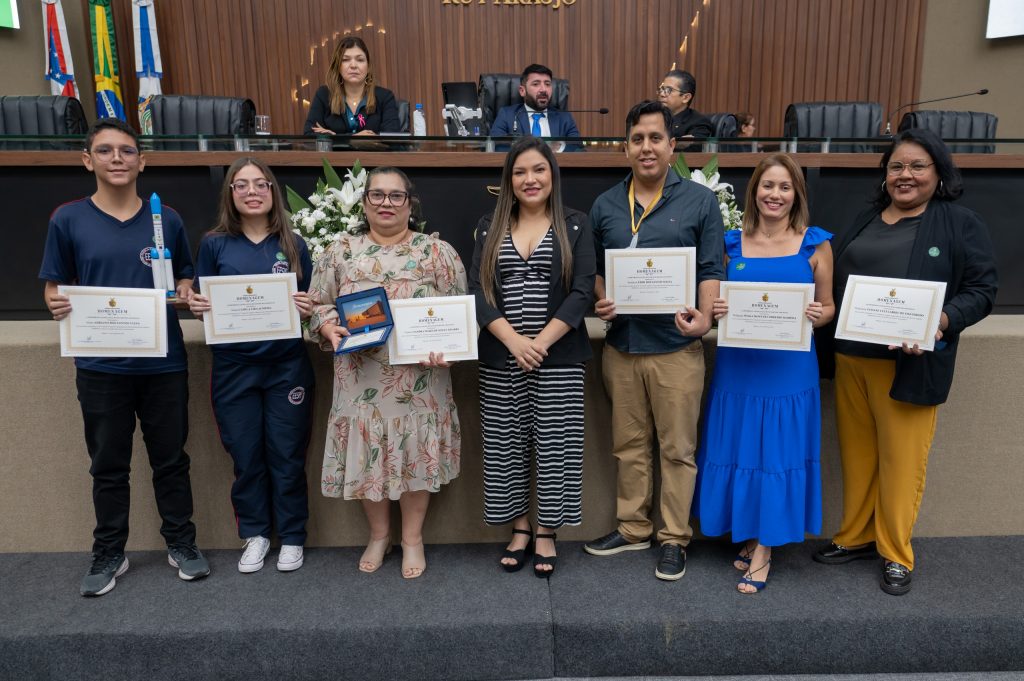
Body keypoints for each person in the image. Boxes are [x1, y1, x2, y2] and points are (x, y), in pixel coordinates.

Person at [813, 129, 997, 595]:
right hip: (852, 360)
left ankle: (895, 552)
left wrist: (941, 322)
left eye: (917, 166)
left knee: (902, 462)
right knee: (857, 457)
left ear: (938, 173)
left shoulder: (959, 222)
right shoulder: (865, 218)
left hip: (910, 366)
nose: (905, 176)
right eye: (896, 167)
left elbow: (981, 291)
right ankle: (855, 536)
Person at [39, 118, 210, 596]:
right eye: (106, 150)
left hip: (164, 364)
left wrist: (183, 289)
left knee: (171, 460)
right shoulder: (67, 219)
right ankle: (110, 551)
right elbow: (54, 287)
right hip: (100, 369)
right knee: (108, 464)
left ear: (142, 161)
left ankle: (182, 543)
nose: (117, 158)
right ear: (87, 159)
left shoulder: (167, 219)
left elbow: (184, 280)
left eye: (127, 151)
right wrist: (53, 302)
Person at [584, 101, 725, 581]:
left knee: (677, 449)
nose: (647, 147)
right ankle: (632, 528)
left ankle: (673, 538)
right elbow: (597, 273)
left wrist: (705, 319)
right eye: (638, 139)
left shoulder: (699, 202)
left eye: (655, 138)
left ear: (671, 145)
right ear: (626, 147)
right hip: (621, 347)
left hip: (677, 348)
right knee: (628, 446)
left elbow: (711, 269)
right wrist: (602, 300)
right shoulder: (605, 204)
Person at [309, 167, 467, 579]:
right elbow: (318, 304)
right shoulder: (339, 250)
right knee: (369, 454)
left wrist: (452, 347)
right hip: (360, 377)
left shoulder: (438, 253)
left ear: (410, 204)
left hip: (420, 378)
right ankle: (379, 535)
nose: (386, 203)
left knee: (414, 451)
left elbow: (459, 310)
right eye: (376, 195)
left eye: (396, 196)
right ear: (363, 203)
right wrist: (327, 324)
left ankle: (412, 538)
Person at [693, 154, 835, 594]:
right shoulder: (731, 242)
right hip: (739, 370)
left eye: (785, 187)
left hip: (788, 371)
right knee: (744, 449)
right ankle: (753, 531)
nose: (775, 194)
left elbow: (829, 307)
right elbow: (712, 302)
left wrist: (818, 314)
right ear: (754, 191)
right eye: (767, 186)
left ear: (797, 194)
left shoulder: (815, 244)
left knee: (776, 453)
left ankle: (764, 550)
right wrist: (714, 310)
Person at [470, 137, 596, 578]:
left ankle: (546, 531)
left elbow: (583, 291)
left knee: (556, 446)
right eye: (520, 172)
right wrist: (514, 342)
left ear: (552, 176)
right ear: (509, 179)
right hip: (502, 357)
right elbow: (479, 293)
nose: (530, 179)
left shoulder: (575, 225)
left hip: (557, 356)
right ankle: (519, 527)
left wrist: (539, 343)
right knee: (505, 446)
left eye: (539, 170)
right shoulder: (489, 225)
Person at [188, 158, 315, 574]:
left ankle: (293, 536)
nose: (252, 191)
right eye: (241, 185)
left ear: (273, 191)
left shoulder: (295, 244)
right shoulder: (214, 244)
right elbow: (202, 305)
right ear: (230, 194)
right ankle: (257, 534)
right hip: (234, 369)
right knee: (246, 455)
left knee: (287, 454)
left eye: (261, 184)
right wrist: (197, 304)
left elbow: (313, 305)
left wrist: (308, 305)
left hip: (286, 368)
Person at [304, 36, 400, 136]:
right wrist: (354, 138)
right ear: (338, 66)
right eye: (345, 60)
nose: (353, 65)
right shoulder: (323, 95)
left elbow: (392, 139)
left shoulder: (385, 97)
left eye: (360, 60)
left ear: (368, 66)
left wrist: (334, 138)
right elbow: (309, 134)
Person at [489, 64, 580, 139]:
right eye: (536, 84)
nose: (543, 89)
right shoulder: (506, 115)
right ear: (522, 91)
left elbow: (577, 150)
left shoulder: (565, 118)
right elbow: (498, 148)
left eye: (547, 84)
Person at [657, 69, 713, 141]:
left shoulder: (698, 123)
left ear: (686, 98)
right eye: (662, 89)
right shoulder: (653, 117)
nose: (662, 94)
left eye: (669, 90)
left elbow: (694, 148)